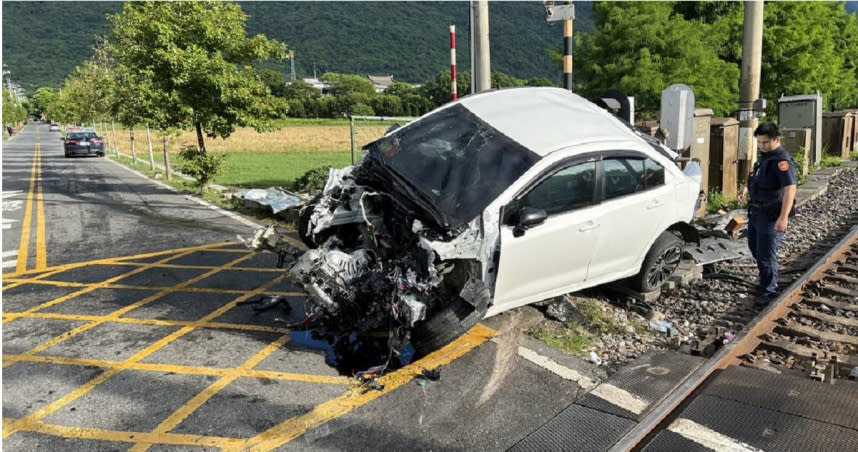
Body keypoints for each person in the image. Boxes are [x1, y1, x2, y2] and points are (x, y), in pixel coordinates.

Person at [738, 123, 797, 306]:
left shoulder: (782, 160)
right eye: (760, 142)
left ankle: (769, 290)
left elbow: (790, 189)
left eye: (765, 142)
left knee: (766, 254)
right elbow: (757, 177)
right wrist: (746, 189)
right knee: (755, 248)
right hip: (756, 211)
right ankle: (766, 280)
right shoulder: (765, 157)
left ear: (777, 139)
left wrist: (783, 217)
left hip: (771, 214)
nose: (762, 146)